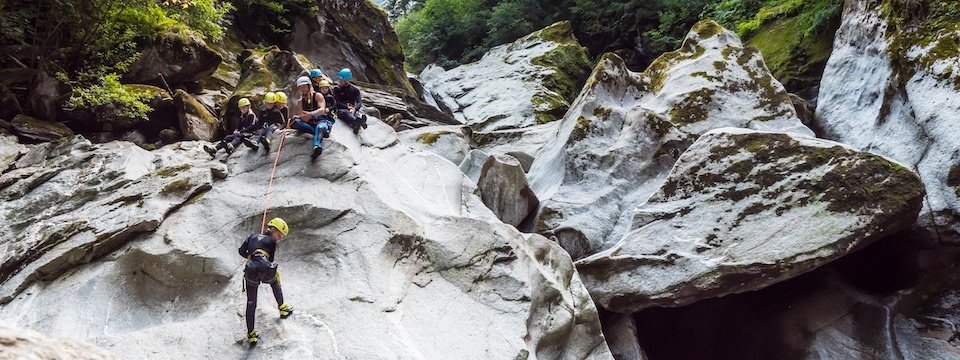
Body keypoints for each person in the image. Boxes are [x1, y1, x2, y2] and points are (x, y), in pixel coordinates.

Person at [239, 217, 294, 347]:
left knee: (251, 303)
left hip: (251, 270)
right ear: (272, 229)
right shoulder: (272, 242)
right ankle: (282, 308)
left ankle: (251, 334)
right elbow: (271, 260)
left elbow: (241, 251)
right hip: (263, 269)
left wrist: (251, 256)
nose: (279, 238)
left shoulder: (252, 236)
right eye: (279, 234)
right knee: (275, 279)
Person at [290, 76, 333, 160]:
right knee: (296, 122)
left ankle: (317, 146)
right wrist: (299, 117)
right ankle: (319, 133)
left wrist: (311, 114)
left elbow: (322, 109)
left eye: (304, 87)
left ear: (309, 86)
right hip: (310, 123)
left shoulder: (318, 96)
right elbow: (301, 115)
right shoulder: (300, 101)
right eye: (301, 88)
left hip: (321, 120)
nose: (303, 89)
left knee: (320, 127)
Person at [332, 68, 367, 134]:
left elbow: (359, 102)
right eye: (340, 80)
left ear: (347, 80)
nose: (340, 81)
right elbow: (336, 102)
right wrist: (347, 107)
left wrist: (354, 109)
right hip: (342, 110)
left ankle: (357, 124)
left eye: (342, 80)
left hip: (352, 110)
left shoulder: (355, 90)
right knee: (346, 113)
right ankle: (357, 122)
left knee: (356, 114)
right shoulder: (337, 89)